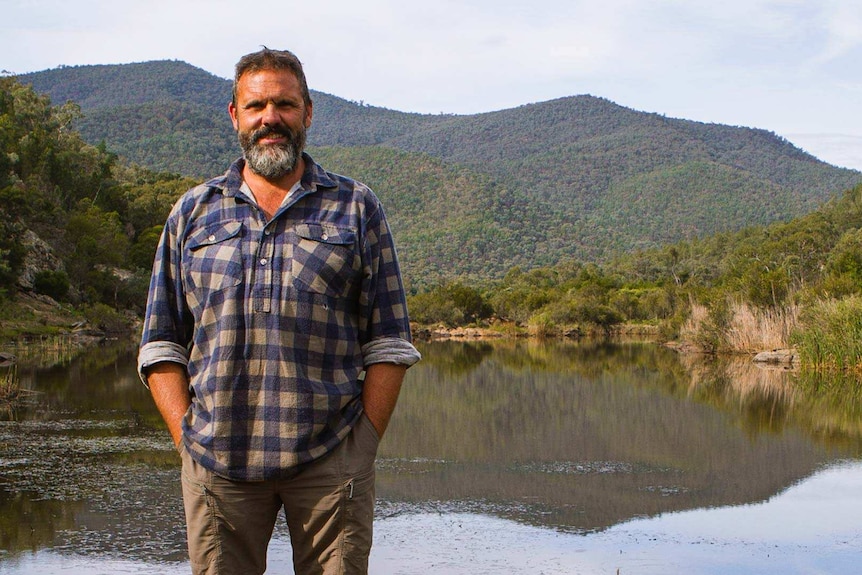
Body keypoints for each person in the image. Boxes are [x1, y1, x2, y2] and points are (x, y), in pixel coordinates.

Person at [137, 47, 421, 575]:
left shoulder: (356, 206)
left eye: (285, 105)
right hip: (217, 463)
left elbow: (389, 341)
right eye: (257, 106)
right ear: (235, 116)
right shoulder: (192, 212)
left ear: (308, 112)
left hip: (331, 460)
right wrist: (188, 443)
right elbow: (160, 344)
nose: (271, 118)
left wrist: (362, 445)